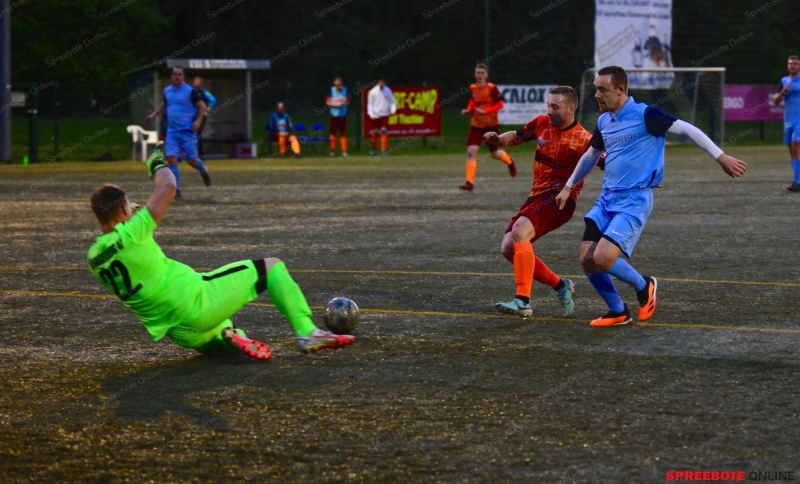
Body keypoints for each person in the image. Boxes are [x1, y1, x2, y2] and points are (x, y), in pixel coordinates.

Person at [87, 144, 355, 360]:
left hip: (179, 334)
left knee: (217, 337)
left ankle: (229, 333)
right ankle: (307, 331)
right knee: (271, 267)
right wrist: (156, 160)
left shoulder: (94, 258)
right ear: (123, 209)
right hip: (198, 303)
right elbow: (167, 187)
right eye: (130, 207)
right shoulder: (132, 233)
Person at [554, 66, 747, 327]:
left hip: (634, 200)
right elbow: (591, 155)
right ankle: (618, 311)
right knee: (587, 260)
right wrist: (568, 186)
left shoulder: (645, 114)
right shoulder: (604, 120)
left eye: (602, 89)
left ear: (620, 90)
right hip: (607, 198)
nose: (596, 95)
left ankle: (644, 285)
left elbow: (688, 129)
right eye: (595, 89)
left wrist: (720, 156)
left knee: (602, 258)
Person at [485, 86, 597, 317]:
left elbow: (610, 162)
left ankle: (522, 300)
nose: (549, 111)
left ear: (571, 108)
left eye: (555, 107)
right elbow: (514, 137)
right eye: (548, 105)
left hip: (560, 200)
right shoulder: (541, 123)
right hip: (536, 196)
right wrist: (497, 139)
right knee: (508, 249)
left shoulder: (585, 139)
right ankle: (560, 285)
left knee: (519, 232)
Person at [145, 67, 211, 199]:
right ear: (172, 76)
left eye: (179, 74)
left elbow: (203, 106)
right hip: (172, 131)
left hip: (188, 131)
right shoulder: (167, 91)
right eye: (174, 74)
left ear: (183, 77)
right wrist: (153, 115)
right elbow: (164, 105)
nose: (176, 76)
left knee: (191, 160)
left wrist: (198, 121)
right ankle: (177, 190)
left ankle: (203, 170)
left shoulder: (190, 91)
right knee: (172, 159)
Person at [459, 63, 517, 191]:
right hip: (476, 125)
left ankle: (510, 162)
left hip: (491, 126)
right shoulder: (473, 87)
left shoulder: (492, 88)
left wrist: (485, 111)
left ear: (486, 75)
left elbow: (501, 104)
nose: (479, 75)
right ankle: (469, 182)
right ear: (475, 74)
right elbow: (473, 102)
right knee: (471, 152)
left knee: (494, 153)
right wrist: (468, 111)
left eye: (482, 73)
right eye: (477, 72)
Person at [773, 55, 800, 192]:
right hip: (788, 120)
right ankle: (797, 179)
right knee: (792, 151)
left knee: (796, 147)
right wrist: (783, 92)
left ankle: (798, 182)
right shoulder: (784, 81)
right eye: (790, 63)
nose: (792, 66)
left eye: (795, 63)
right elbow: (775, 100)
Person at [366, 78, 396, 156]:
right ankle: (373, 149)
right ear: (378, 83)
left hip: (385, 115)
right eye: (380, 82)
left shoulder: (387, 90)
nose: (382, 84)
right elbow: (370, 104)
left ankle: (383, 150)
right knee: (376, 132)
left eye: (383, 82)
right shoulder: (373, 92)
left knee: (384, 131)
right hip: (375, 115)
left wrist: (393, 110)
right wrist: (371, 114)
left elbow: (392, 102)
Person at [192, 76, 217, 157]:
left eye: (199, 84)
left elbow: (213, 100)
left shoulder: (204, 92)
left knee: (198, 133)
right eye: (196, 83)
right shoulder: (191, 92)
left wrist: (208, 110)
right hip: (191, 116)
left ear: (201, 84)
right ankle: (191, 153)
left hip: (200, 116)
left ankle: (200, 154)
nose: (197, 85)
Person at [327, 76, 349, 157]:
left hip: (343, 114)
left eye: (339, 81)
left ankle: (344, 151)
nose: (338, 83)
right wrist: (335, 105)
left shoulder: (345, 89)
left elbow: (348, 102)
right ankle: (332, 151)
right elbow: (328, 102)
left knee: (343, 133)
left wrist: (343, 104)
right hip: (334, 114)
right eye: (336, 81)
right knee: (333, 133)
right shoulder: (331, 90)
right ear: (334, 82)